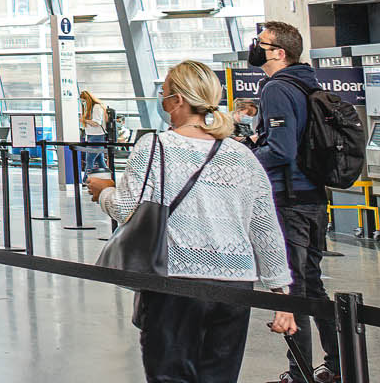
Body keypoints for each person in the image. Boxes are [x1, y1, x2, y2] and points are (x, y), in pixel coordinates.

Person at [86, 61, 294, 383]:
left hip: (175, 282)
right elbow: (265, 228)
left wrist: (103, 192)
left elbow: (126, 208)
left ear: (179, 101)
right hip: (236, 286)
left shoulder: (155, 147)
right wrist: (281, 294)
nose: (162, 99)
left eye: (164, 93)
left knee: (170, 375)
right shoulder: (241, 156)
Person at [251, 21, 339, 383]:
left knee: (294, 289)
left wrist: (248, 154)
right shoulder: (308, 83)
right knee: (313, 285)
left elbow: (282, 150)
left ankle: (298, 374)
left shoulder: (277, 88)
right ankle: (336, 364)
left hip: (291, 201)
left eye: (262, 43)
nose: (256, 47)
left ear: (279, 53)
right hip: (315, 198)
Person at [81, 89, 110, 173]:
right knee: (100, 161)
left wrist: (85, 120)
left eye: (84, 101)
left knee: (89, 160)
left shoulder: (97, 107)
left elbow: (96, 123)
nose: (83, 104)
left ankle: (86, 180)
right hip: (92, 136)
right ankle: (108, 178)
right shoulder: (91, 108)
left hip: (97, 136)